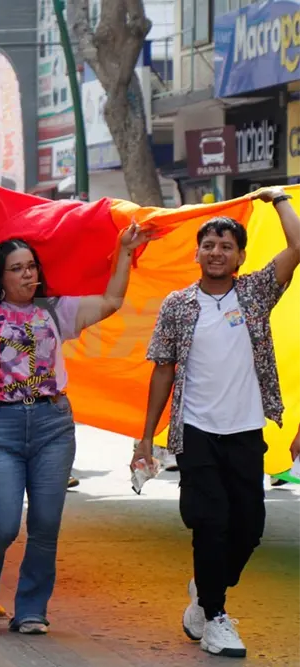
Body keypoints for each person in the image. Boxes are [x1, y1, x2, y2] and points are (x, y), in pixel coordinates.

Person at [0, 191, 150, 635]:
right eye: (17, 268)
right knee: (2, 524)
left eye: (31, 266)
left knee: (46, 524)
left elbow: (110, 302)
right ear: (1, 276)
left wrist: (125, 253)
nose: (27, 274)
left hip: (54, 424)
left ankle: (31, 609)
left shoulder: (57, 310)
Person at [138, 189, 300, 659]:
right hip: (196, 432)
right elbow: (163, 368)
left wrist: (279, 202)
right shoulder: (178, 304)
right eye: (209, 244)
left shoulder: (253, 291)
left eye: (226, 245)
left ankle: (206, 591)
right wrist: (147, 437)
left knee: (248, 528)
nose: (216, 252)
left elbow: (295, 248)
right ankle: (214, 618)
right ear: (197, 252)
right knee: (210, 524)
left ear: (240, 256)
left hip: (246, 428)